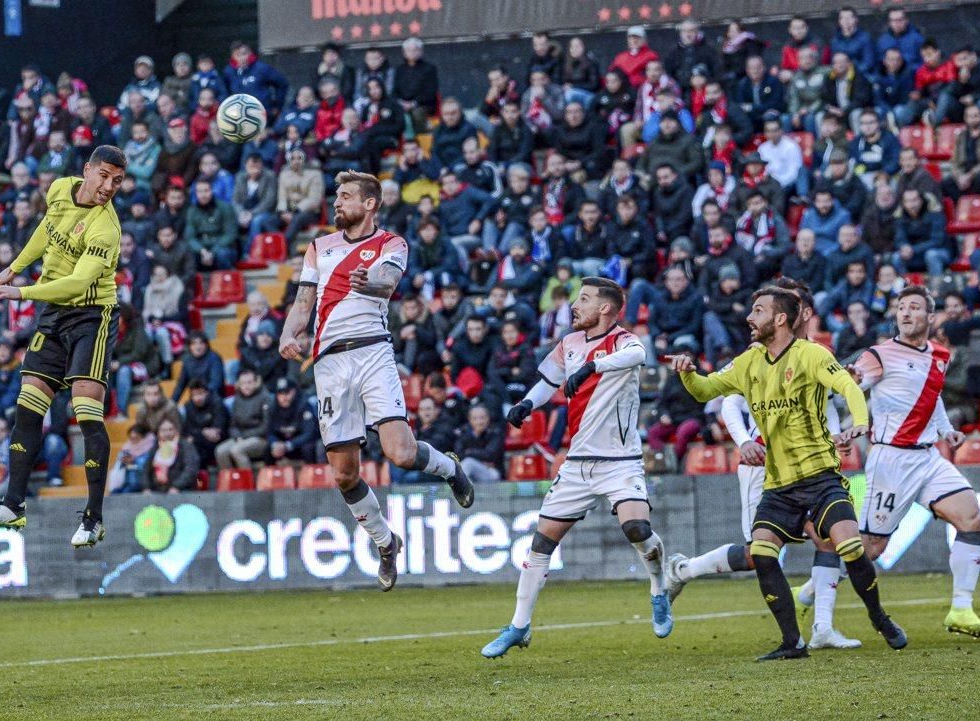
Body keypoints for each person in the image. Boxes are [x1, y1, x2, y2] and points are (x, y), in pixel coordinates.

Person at [667, 286, 906, 660]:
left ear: (780, 319)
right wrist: (688, 372)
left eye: (757, 310)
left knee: (851, 546)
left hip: (820, 477)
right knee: (761, 553)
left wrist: (860, 421)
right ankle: (793, 642)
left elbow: (847, 385)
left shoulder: (811, 354)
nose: (749, 317)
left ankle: (879, 617)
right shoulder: (749, 361)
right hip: (778, 485)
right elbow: (705, 391)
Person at [278, 171, 475, 590]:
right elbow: (303, 302)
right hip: (329, 364)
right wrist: (288, 332)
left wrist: (370, 284)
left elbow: (388, 283)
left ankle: (448, 467)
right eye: (337, 195)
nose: (337, 203)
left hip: (372, 351)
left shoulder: (391, 244)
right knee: (345, 474)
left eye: (346, 196)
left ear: (369, 204)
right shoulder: (319, 247)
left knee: (401, 453)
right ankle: (386, 543)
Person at [482, 277, 673, 658]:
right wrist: (527, 405)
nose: (575, 305)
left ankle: (658, 587)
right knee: (541, 542)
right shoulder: (568, 343)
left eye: (583, 299)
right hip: (578, 463)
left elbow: (638, 357)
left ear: (605, 308)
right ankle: (519, 625)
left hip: (620, 462)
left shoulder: (623, 340)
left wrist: (593, 367)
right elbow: (547, 381)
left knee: (637, 529)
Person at [0, 145, 127, 548]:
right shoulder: (60, 188)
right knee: (28, 405)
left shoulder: (106, 229)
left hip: (92, 315)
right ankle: (12, 505)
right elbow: (46, 228)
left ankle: (93, 518)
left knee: (85, 409)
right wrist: (16, 265)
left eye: (118, 181)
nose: (109, 186)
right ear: (87, 170)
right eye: (104, 176)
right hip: (54, 314)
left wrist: (21, 291)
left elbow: (78, 283)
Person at [852, 286, 980, 638]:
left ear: (930, 317)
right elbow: (856, 381)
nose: (906, 313)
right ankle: (813, 589)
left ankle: (961, 609)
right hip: (891, 460)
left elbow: (932, 398)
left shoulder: (940, 355)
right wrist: (852, 387)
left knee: (972, 517)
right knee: (871, 548)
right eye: (901, 307)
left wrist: (947, 431)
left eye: (914, 307)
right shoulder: (879, 355)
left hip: (928, 457)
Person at [215, 369, 271, 470]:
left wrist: (244, 437)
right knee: (220, 451)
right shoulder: (237, 399)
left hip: (260, 438)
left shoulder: (265, 398)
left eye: (249, 382)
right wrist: (237, 436)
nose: (246, 386)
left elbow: (266, 427)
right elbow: (233, 425)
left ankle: (247, 482)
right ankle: (231, 481)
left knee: (237, 450)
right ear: (239, 385)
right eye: (243, 383)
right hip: (240, 437)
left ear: (256, 383)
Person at [141, 418, 200, 494]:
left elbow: (191, 469)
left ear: (176, 431)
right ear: (158, 433)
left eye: (170, 429)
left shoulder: (185, 446)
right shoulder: (155, 448)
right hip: (156, 490)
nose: (167, 433)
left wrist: (176, 486)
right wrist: (146, 487)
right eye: (163, 430)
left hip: (181, 490)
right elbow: (146, 469)